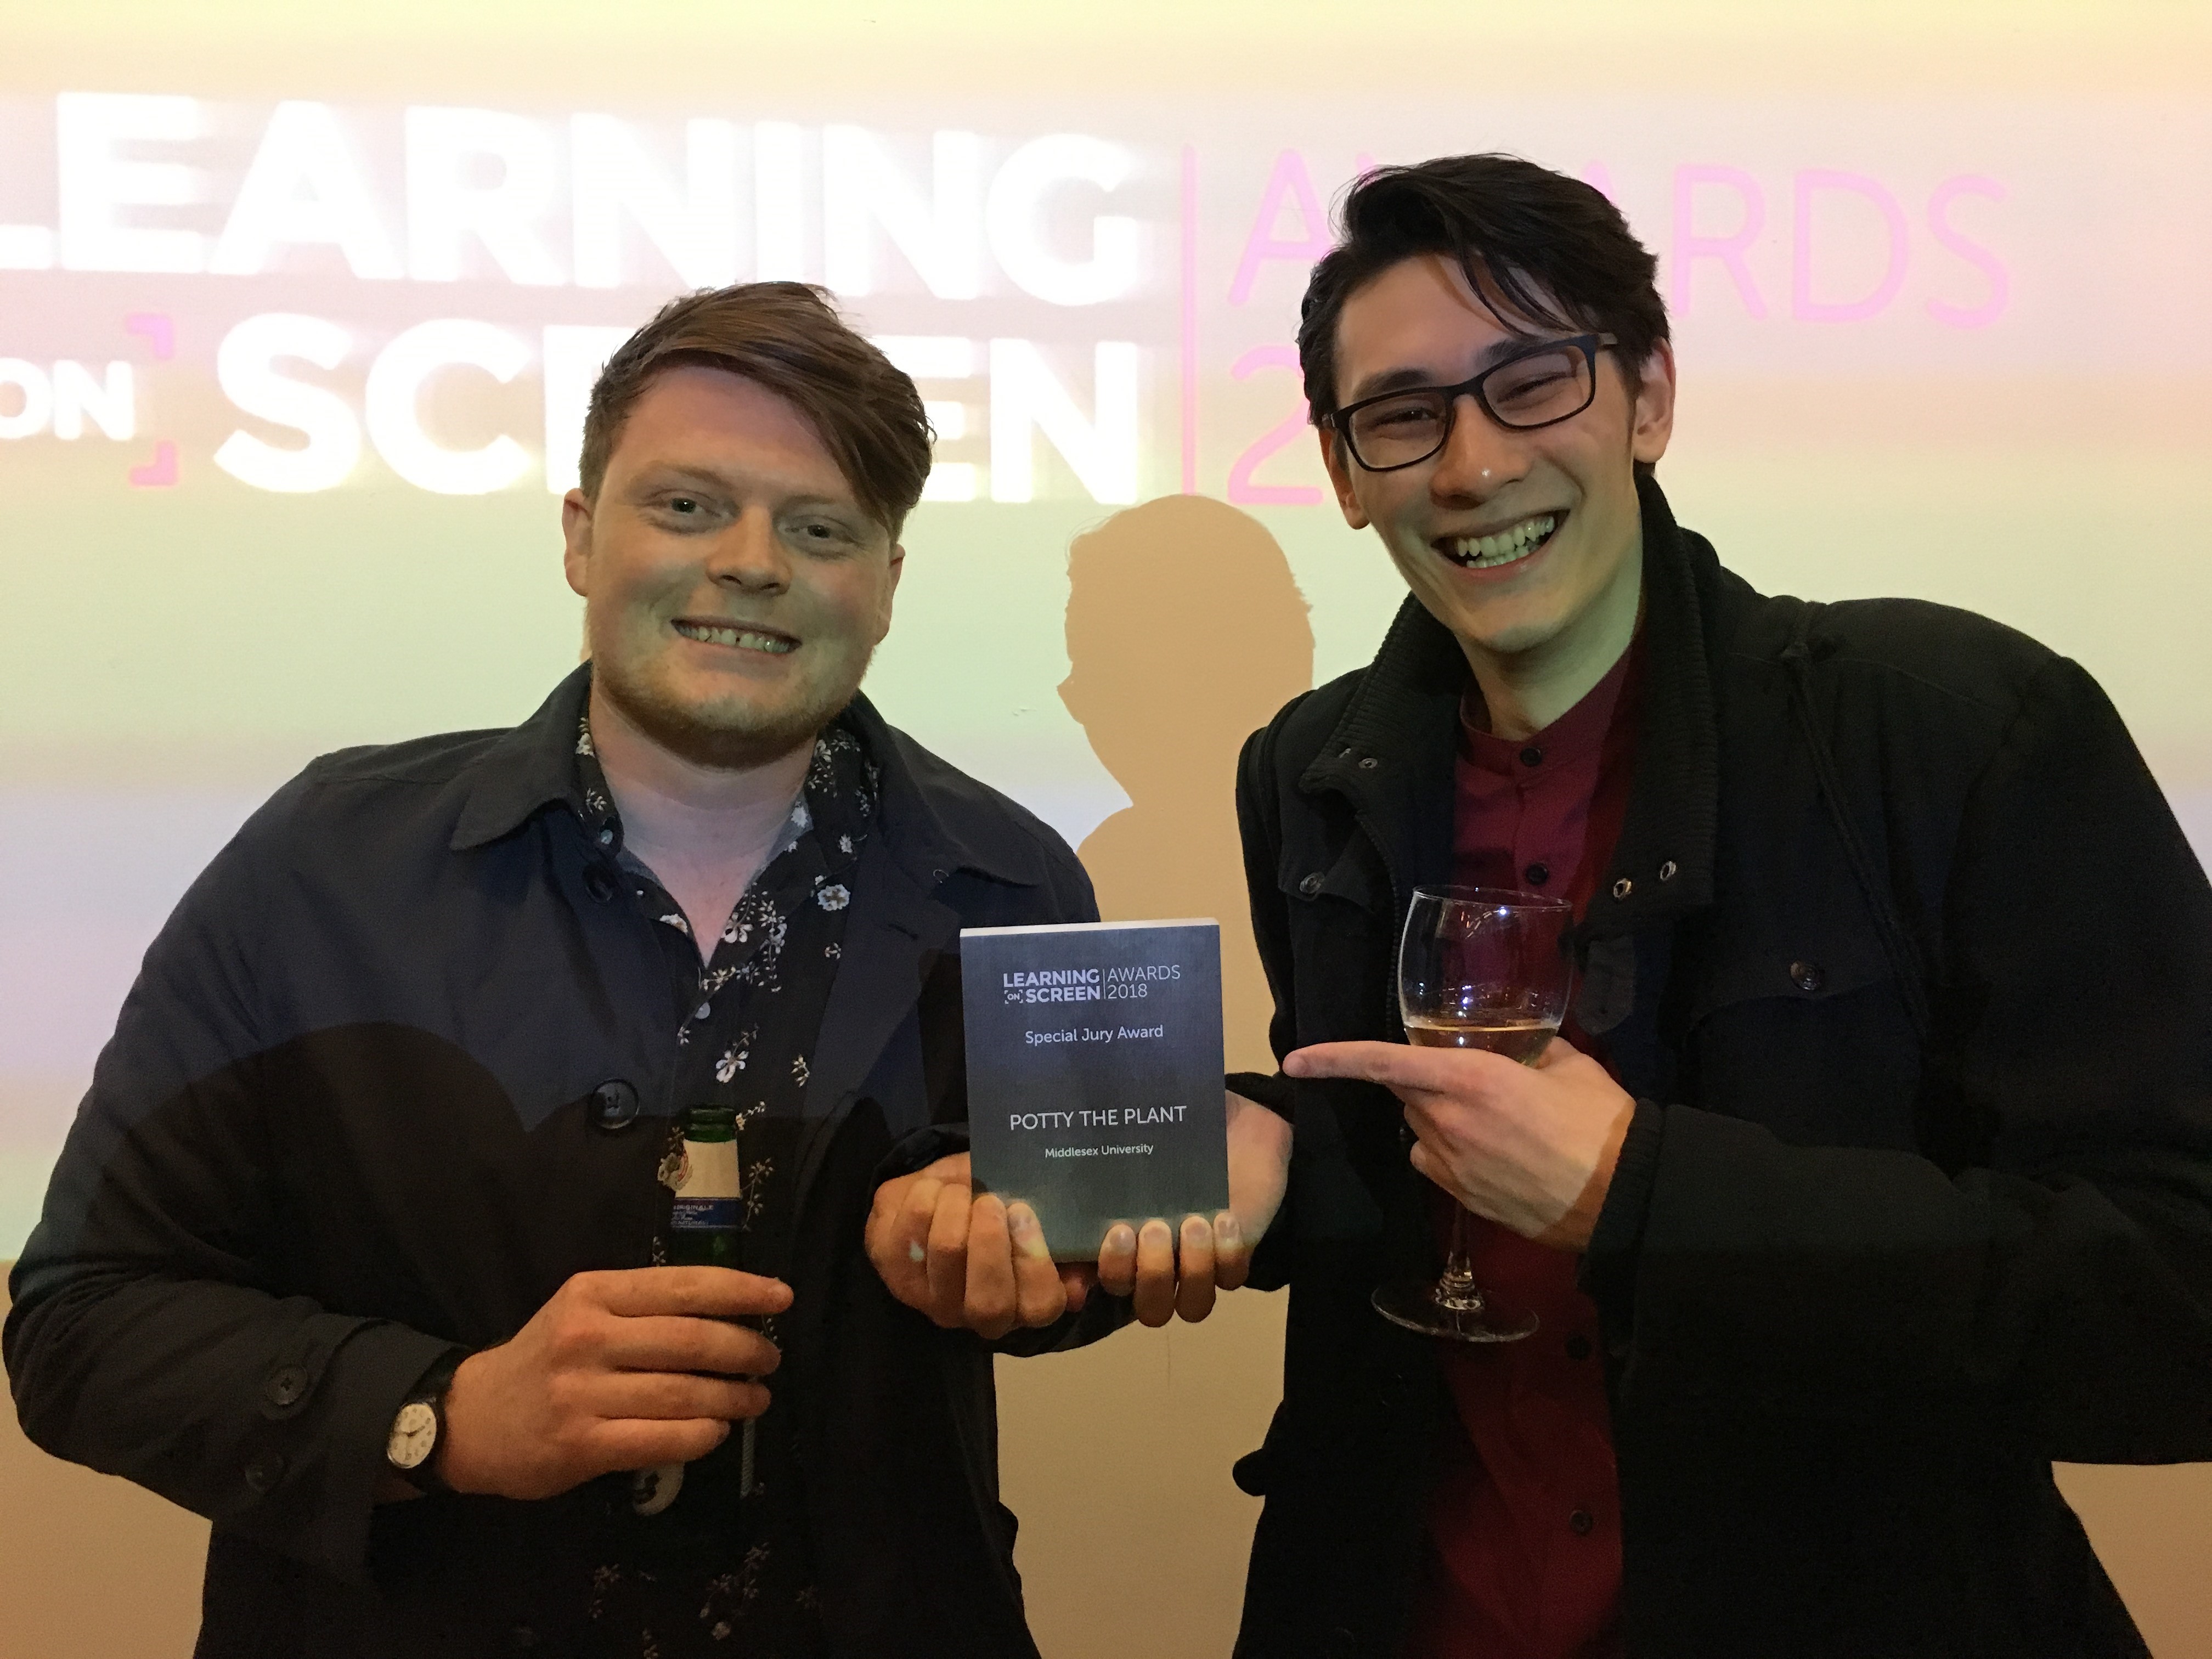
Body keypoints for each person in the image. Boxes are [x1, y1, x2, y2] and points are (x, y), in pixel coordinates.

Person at [3, 282, 1209, 1658]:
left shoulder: (1016, 884)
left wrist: (1026, 1268)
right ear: (582, 539)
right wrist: (439, 1414)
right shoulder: (324, 864)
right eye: (688, 506)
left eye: (818, 528)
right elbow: (81, 1319)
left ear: (883, 582)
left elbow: (1085, 1258)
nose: (752, 562)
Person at [1216, 156, 2212, 1658]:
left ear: (1648, 398)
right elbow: (1412, 1175)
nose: (1473, 467)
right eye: (1404, 415)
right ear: (1349, 475)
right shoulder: (1309, 772)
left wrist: (1647, 1196)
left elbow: (2182, 1305)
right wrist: (1273, 1162)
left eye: (1532, 383)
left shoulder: (1955, 730)